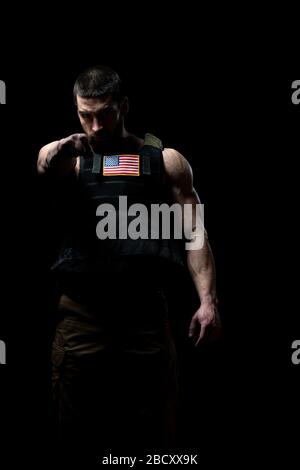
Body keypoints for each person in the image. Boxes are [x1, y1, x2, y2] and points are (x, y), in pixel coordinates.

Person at [37, 65, 220, 461]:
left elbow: (195, 234)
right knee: (74, 437)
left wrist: (208, 301)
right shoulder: (69, 158)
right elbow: (44, 165)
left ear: (124, 106)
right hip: (82, 319)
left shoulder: (164, 162)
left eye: (105, 113)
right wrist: (62, 147)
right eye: (86, 115)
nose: (96, 125)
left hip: (144, 321)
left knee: (154, 438)